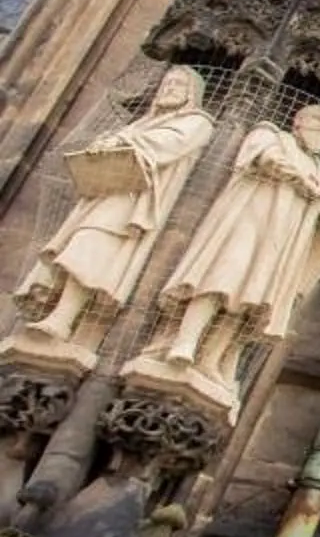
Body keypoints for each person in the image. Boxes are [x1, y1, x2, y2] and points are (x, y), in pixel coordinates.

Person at [138, 102, 320, 402]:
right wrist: (302, 180)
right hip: (247, 222)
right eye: (318, 120)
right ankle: (184, 341)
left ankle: (211, 360)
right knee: (220, 279)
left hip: (280, 242)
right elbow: (265, 159)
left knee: (251, 301)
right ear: (297, 121)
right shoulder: (271, 136)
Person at [10, 68, 215, 352]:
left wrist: (123, 142)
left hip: (134, 202)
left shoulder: (197, 122)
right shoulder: (143, 123)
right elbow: (124, 141)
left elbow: (171, 144)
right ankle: (60, 315)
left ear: (192, 93)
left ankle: (64, 318)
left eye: (178, 84)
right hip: (108, 194)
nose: (169, 88)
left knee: (90, 249)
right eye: (166, 83)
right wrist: (105, 144)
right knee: (79, 245)